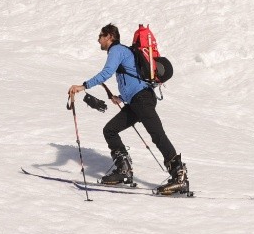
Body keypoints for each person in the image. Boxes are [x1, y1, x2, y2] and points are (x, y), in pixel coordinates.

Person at [67, 24, 188, 195]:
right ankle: (124, 170)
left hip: (142, 100)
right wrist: (121, 98)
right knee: (110, 130)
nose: (98, 39)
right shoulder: (124, 52)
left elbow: (107, 72)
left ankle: (179, 176)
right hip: (136, 101)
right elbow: (133, 79)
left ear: (109, 36)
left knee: (157, 135)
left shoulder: (117, 50)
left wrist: (83, 86)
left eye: (101, 36)